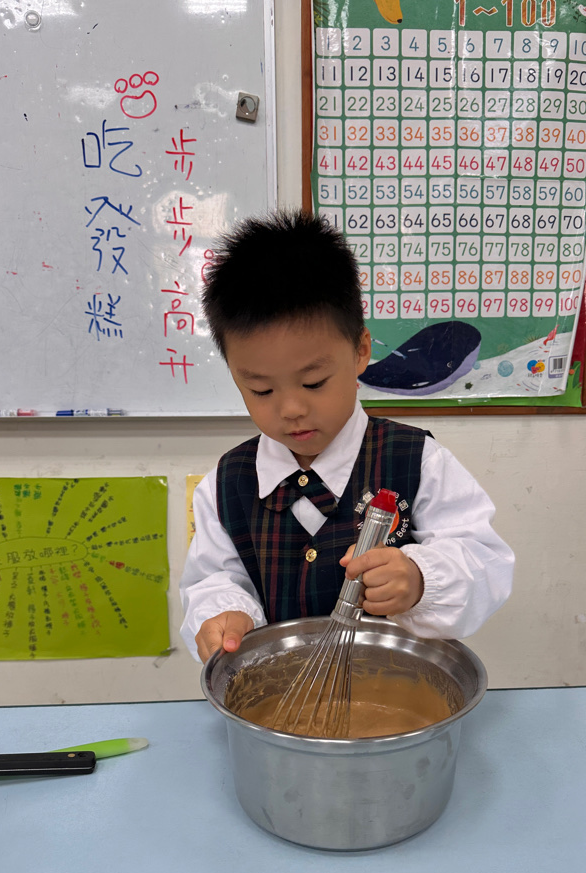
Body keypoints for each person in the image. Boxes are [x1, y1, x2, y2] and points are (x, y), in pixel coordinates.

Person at [180, 210, 514, 663]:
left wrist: (419, 579)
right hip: (278, 689)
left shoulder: (417, 460)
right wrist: (225, 614)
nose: (291, 409)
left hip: (393, 685)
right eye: (261, 390)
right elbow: (213, 578)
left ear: (360, 351)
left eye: (313, 382)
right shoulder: (226, 484)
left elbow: (485, 561)